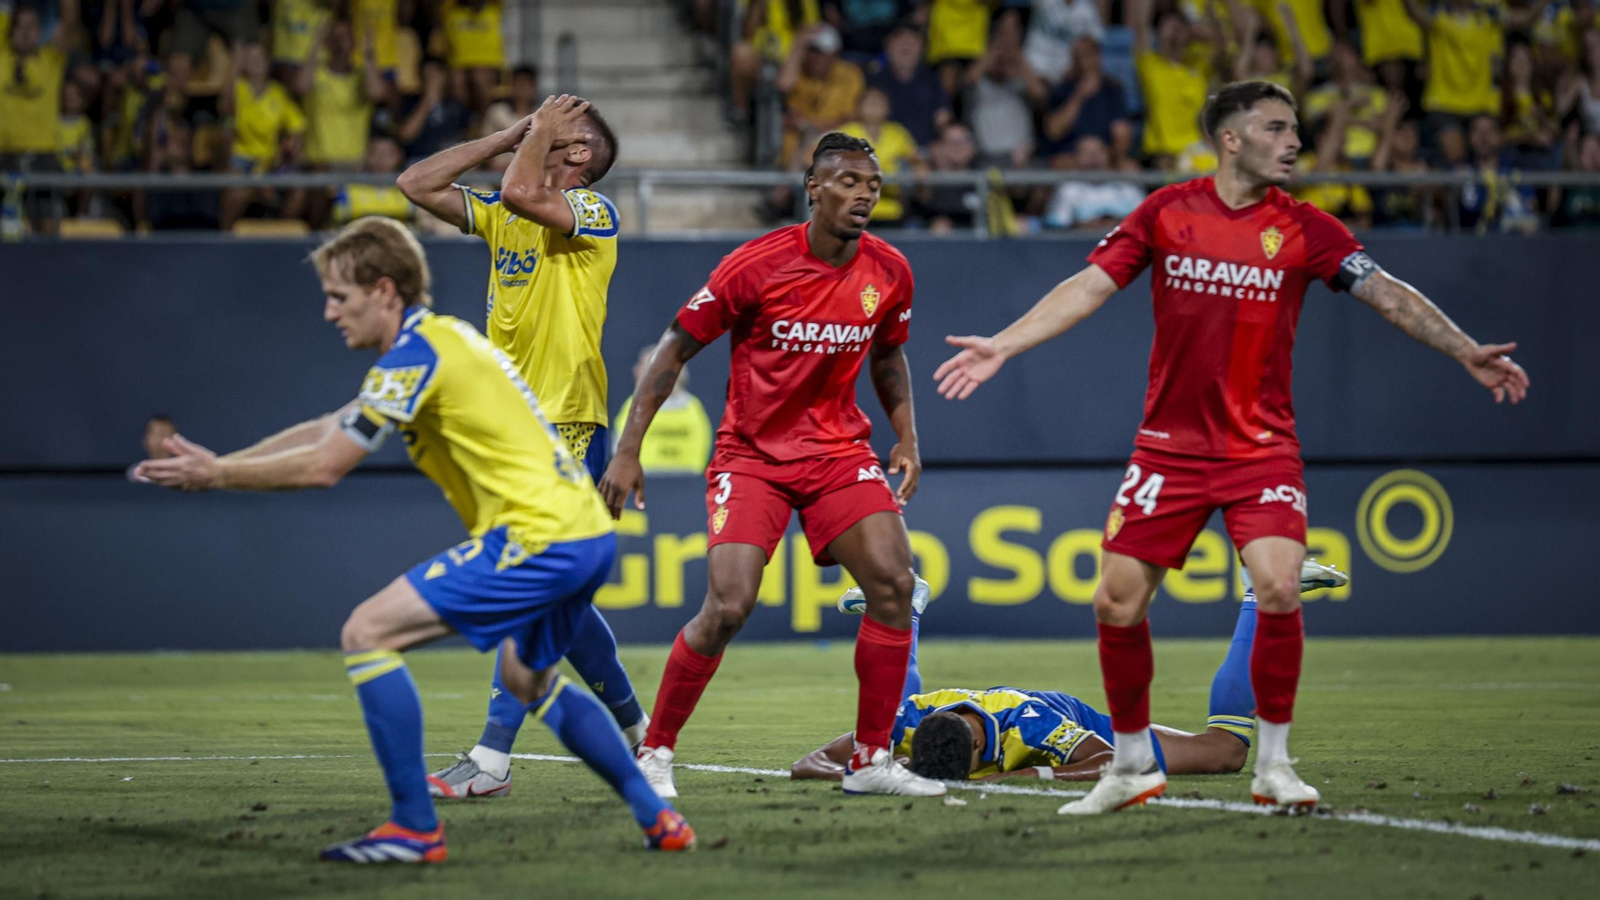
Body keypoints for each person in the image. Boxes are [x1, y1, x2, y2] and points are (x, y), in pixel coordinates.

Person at [932, 80, 1529, 815]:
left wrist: (1465, 349)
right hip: (1169, 450)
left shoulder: (1307, 227)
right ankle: (1128, 767)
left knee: (1278, 585)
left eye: (1295, 128)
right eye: (1277, 127)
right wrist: (1003, 344)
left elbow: (1390, 293)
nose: (1294, 142)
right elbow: (1088, 287)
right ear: (1231, 138)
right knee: (1116, 604)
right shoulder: (1167, 213)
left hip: (1261, 448)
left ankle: (1274, 766)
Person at [132, 217, 696, 860]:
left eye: (338, 298)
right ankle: (658, 819)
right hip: (584, 533)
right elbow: (330, 426)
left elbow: (325, 465)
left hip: (538, 538)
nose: (328, 313)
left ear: (383, 290)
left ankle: (413, 826)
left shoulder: (418, 353)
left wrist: (218, 476)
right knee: (528, 681)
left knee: (366, 633)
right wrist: (224, 461)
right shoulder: (439, 339)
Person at [605, 132, 946, 800]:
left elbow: (888, 357)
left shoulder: (890, 271)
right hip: (752, 457)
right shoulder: (755, 266)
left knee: (895, 586)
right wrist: (627, 449)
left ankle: (871, 760)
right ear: (812, 188)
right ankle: (655, 751)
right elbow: (675, 349)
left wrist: (905, 435)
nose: (863, 196)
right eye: (847, 182)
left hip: (839, 453)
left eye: (872, 186)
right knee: (729, 606)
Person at [397, 94, 649, 800]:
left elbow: (517, 186)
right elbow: (415, 185)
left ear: (580, 158)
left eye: (553, 131)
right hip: (511, 432)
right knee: (561, 605)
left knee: (531, 586)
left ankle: (492, 756)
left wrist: (529, 142)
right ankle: (641, 732)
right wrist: (509, 133)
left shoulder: (595, 215)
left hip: (569, 422)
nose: (538, 133)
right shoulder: (509, 214)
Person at [793, 559, 1351, 784]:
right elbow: (805, 764)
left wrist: (1026, 777)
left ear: (982, 756)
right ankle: (906, 605)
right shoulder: (911, 723)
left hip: (1066, 712)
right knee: (890, 706)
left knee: (1224, 753)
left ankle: (1260, 592)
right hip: (942, 719)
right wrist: (863, 770)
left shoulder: (1032, 726)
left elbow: (1111, 761)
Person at [613, 345, 714, 475]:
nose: (635, 370)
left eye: (641, 366)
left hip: (665, 485)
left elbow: (619, 451)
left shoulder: (634, 406)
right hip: (682, 486)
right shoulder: (694, 407)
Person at [1129, 0, 1207, 166]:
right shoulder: (1151, 65)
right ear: (1157, 33)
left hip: (1197, 152)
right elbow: (1140, 25)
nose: (1174, 27)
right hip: (1163, 153)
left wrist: (1198, 32)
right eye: (1168, 23)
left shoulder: (1199, 68)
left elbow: (1229, 45)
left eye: (1180, 24)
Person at [1038, 36, 1131, 168]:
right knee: (1057, 163)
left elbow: (1122, 137)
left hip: (1105, 159)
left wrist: (1105, 155)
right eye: (1078, 56)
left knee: (1130, 168)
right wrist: (1078, 96)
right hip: (1071, 159)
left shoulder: (1112, 90)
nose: (1083, 60)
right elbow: (1053, 131)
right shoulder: (1062, 90)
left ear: (1098, 56)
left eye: (1088, 54)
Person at [839, 86, 919, 224]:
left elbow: (915, 159)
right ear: (858, 108)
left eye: (879, 102)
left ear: (887, 108)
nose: (874, 106)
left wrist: (919, 167)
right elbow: (815, 157)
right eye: (870, 102)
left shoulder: (897, 133)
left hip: (892, 210)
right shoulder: (846, 133)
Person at [864, 24, 951, 148]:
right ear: (888, 45)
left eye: (913, 42)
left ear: (922, 49)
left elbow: (943, 118)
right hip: (885, 150)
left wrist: (941, 143)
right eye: (901, 41)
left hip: (925, 151)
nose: (906, 47)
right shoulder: (873, 79)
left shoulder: (932, 80)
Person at [127, 413, 177, 481]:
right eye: (155, 434)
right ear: (145, 439)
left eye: (163, 434)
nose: (159, 440)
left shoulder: (183, 471)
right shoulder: (136, 472)